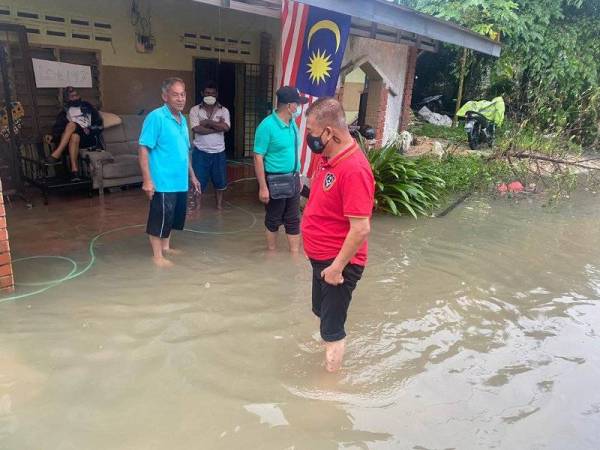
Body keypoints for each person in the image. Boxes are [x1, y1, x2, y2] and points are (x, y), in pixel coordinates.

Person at [301, 97, 375, 372]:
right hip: (322, 259)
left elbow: (361, 228)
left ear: (329, 132)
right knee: (322, 317)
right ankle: (328, 356)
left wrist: (336, 268)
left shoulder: (354, 169)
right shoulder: (327, 156)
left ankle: (328, 394)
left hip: (339, 264)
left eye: (311, 132)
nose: (308, 137)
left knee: (333, 332)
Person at [138, 77, 201, 267]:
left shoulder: (183, 120)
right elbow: (143, 148)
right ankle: (157, 256)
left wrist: (192, 175)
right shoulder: (156, 117)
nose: (181, 98)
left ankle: (166, 247)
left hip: (179, 180)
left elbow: (185, 151)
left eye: (183, 94)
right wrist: (147, 180)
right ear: (165, 96)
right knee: (160, 216)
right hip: (162, 180)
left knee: (171, 216)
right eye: (175, 94)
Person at [253, 86, 307, 252]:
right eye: (297, 105)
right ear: (290, 105)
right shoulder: (267, 125)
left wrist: (299, 176)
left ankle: (294, 255)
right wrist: (263, 187)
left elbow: (292, 152)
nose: (298, 108)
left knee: (293, 218)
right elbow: (258, 156)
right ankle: (271, 253)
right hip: (275, 179)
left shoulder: (292, 124)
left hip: (293, 177)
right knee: (273, 218)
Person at [47, 86, 103, 181]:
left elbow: (99, 125)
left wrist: (90, 129)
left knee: (71, 125)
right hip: (74, 141)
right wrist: (52, 137)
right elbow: (59, 129)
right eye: (72, 97)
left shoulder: (88, 107)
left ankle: (56, 154)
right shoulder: (64, 112)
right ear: (67, 99)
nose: (75, 98)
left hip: (88, 137)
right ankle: (75, 171)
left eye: (76, 95)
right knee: (74, 136)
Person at [189, 81, 231, 210]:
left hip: (219, 152)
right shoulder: (195, 110)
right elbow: (196, 129)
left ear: (216, 94)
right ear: (202, 93)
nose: (210, 95)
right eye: (207, 93)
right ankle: (198, 207)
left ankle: (219, 206)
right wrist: (217, 127)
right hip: (200, 152)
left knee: (220, 182)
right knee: (198, 181)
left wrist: (207, 122)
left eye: (213, 93)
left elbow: (226, 127)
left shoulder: (224, 110)